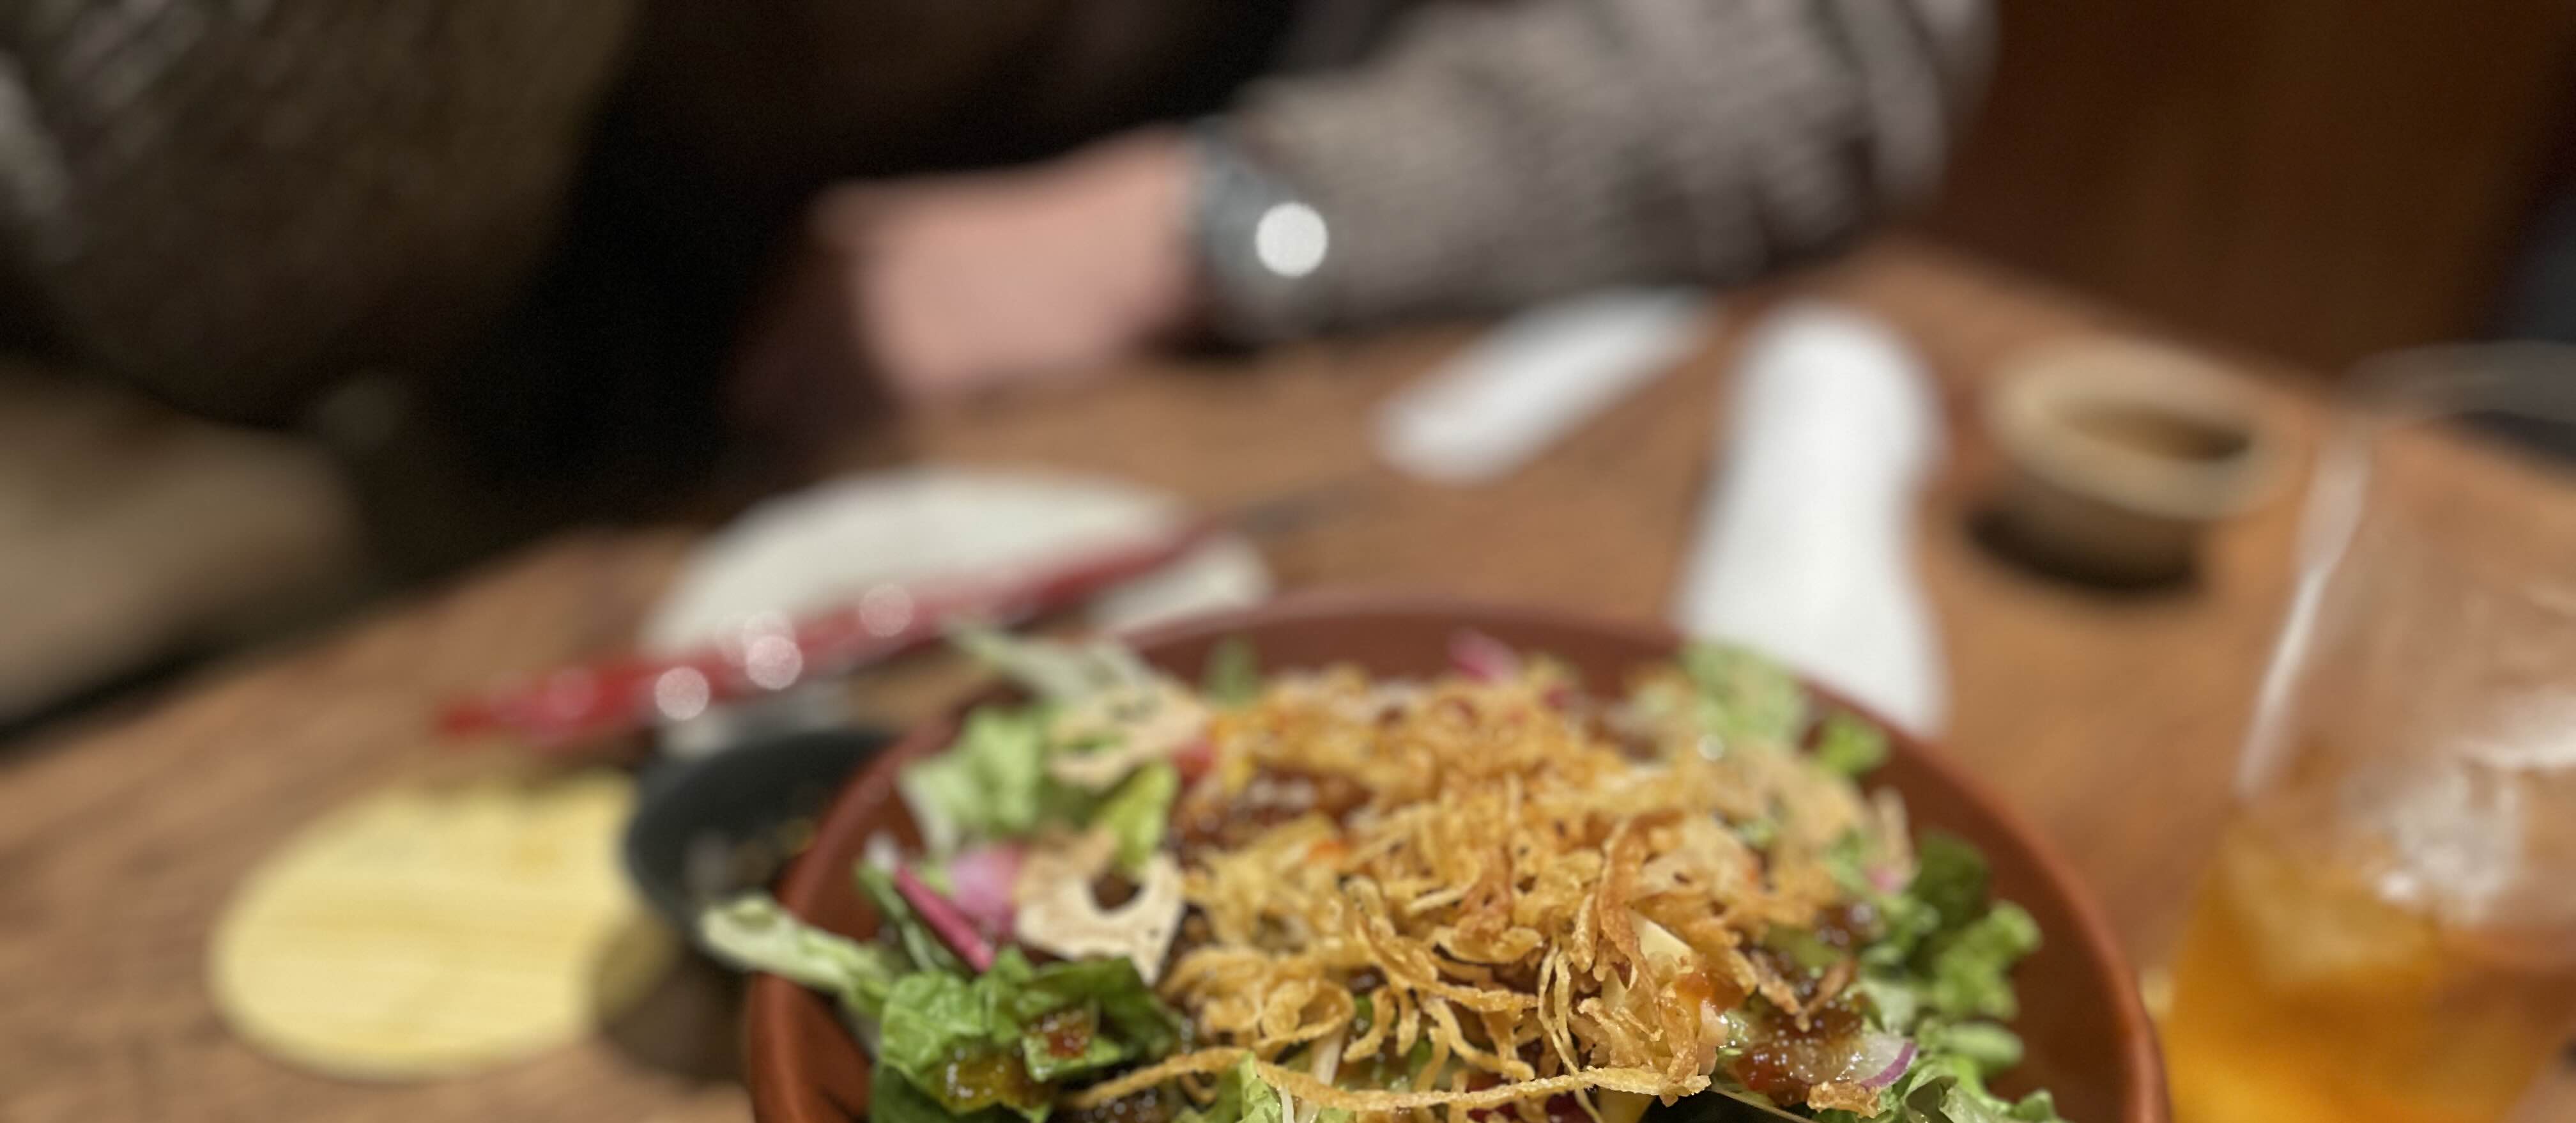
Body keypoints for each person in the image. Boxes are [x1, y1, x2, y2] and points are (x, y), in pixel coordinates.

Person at [0, 0, 1991, 442]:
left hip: (1279, 400)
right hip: (586, 440)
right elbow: (214, 293)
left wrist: (1204, 218)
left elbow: (1849, 38)